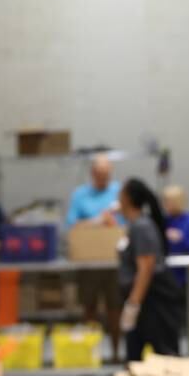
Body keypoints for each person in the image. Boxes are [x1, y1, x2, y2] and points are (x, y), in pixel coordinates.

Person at [118, 178, 183, 361]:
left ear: (128, 199)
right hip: (145, 301)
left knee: (165, 354)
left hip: (154, 301)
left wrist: (133, 304)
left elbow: (146, 267)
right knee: (134, 354)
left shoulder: (142, 226)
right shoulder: (134, 225)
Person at [66, 154, 123, 361]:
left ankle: (117, 354)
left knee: (115, 309)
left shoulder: (120, 192)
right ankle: (90, 356)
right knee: (89, 308)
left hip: (114, 262)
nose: (103, 178)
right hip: (88, 263)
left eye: (106, 174)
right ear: (92, 174)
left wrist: (113, 220)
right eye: (99, 174)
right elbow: (72, 225)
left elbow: (129, 223)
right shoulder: (80, 195)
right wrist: (99, 220)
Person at [162, 185, 189, 286]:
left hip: (187, 274)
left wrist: (181, 238)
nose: (166, 204)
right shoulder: (165, 221)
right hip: (168, 273)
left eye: (169, 201)